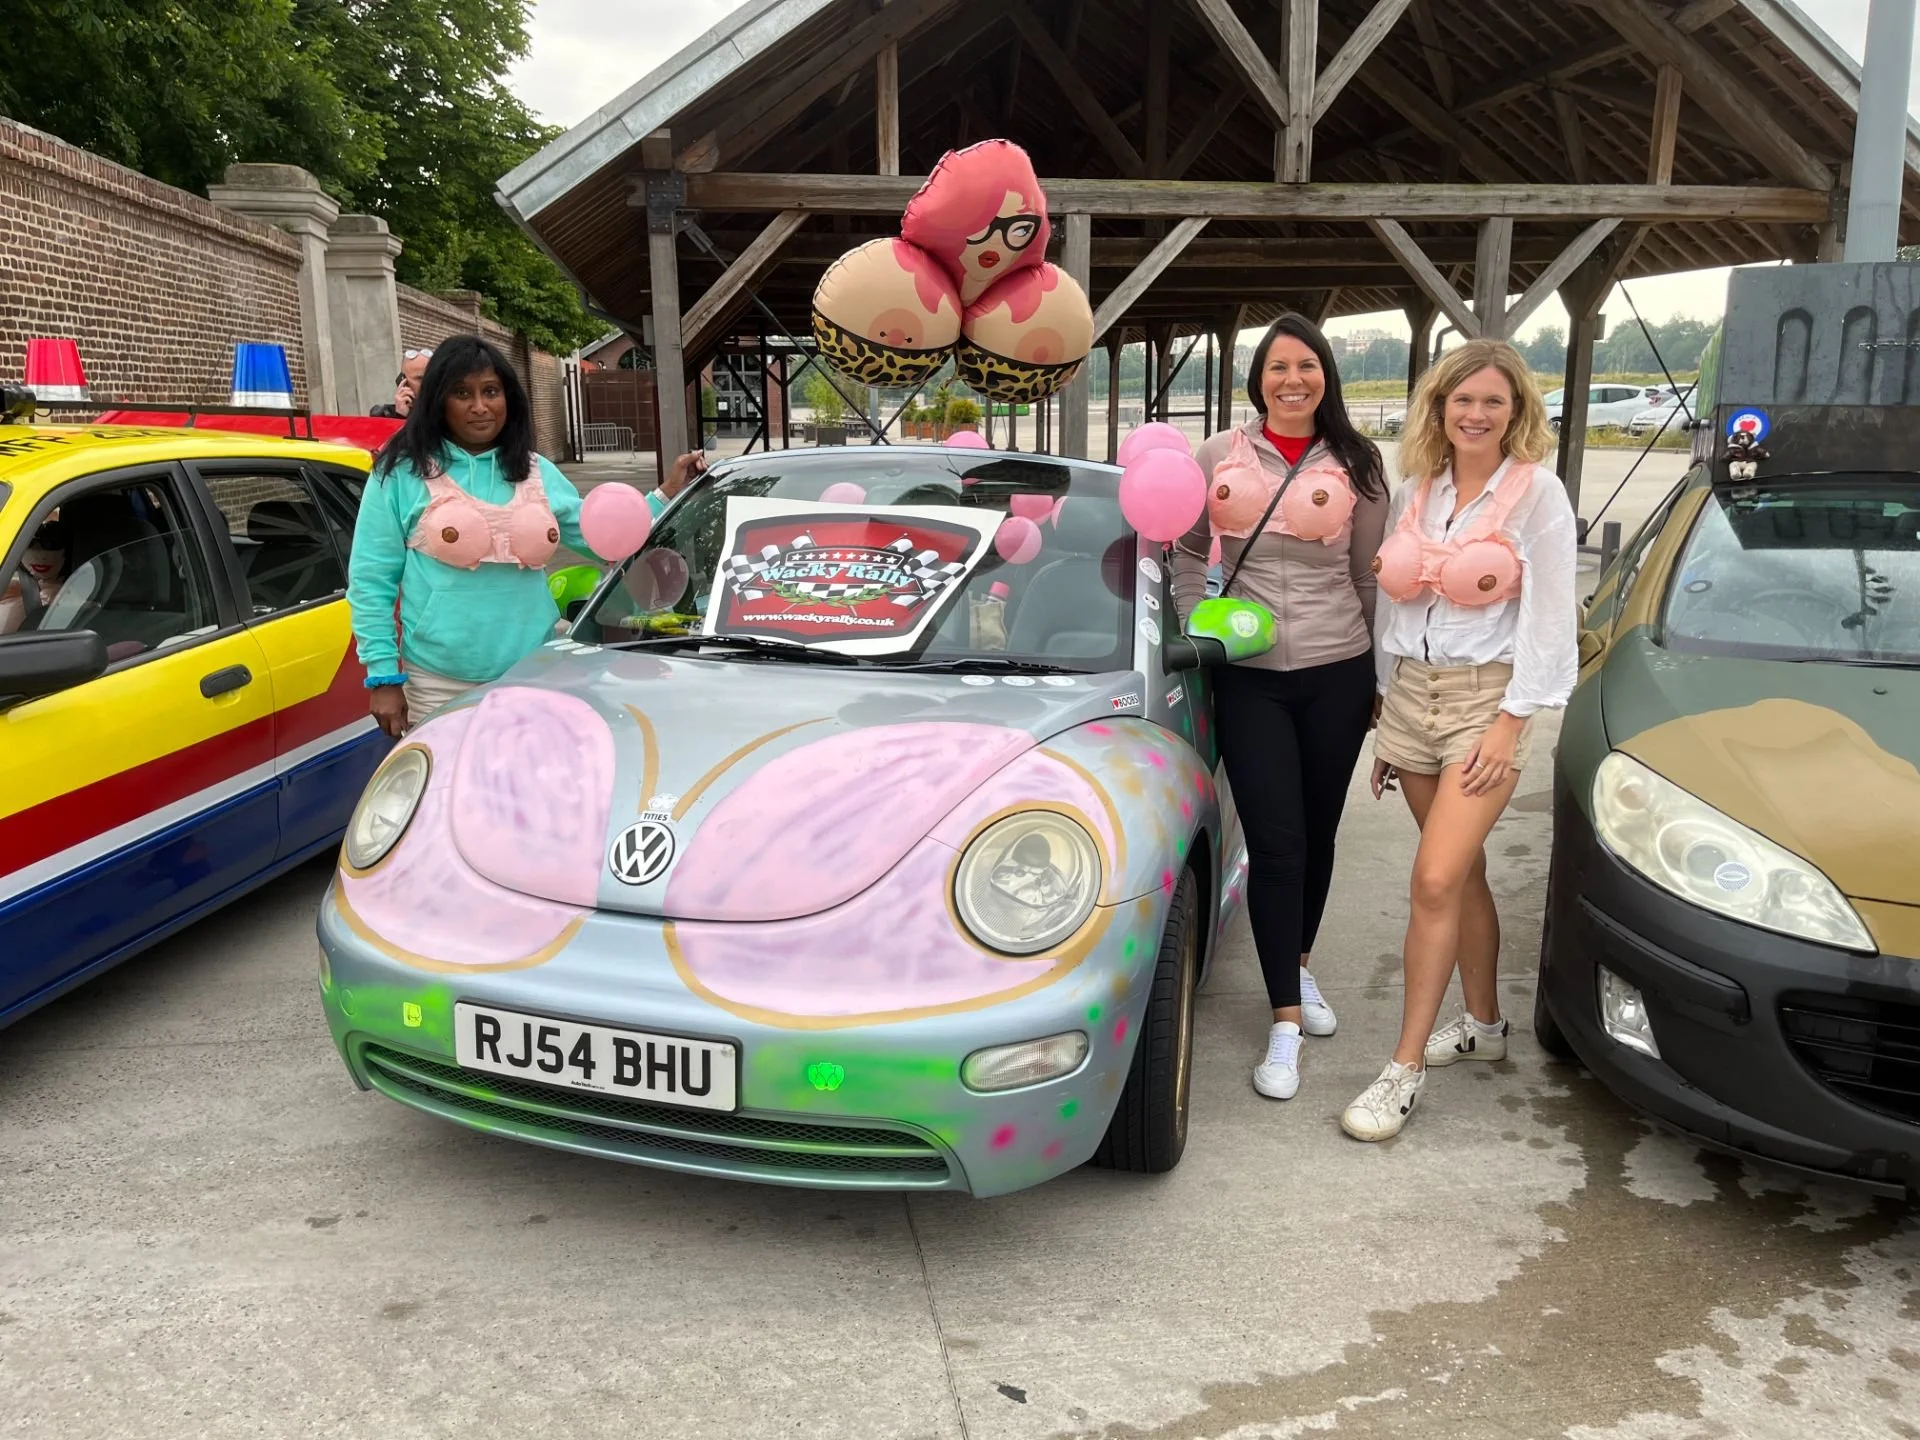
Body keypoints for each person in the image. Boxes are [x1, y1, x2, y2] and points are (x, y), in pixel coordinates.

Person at [1341, 338, 1578, 1142]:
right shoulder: (1420, 489)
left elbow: (1550, 617)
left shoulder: (1538, 495)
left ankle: (1401, 1070)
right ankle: (1483, 1024)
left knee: (1434, 880)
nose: (1476, 414)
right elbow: (1396, 609)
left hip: (1487, 704)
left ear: (1516, 414)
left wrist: (1514, 722)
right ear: (1440, 406)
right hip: (1410, 698)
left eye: (1494, 402)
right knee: (1464, 873)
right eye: (1462, 399)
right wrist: (1384, 710)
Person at [1172, 313, 1389, 1103]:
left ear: (1325, 375)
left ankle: (1295, 961)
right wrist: (1205, 627)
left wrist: (1378, 681)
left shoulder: (1359, 463)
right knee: (1277, 841)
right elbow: (1189, 553)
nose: (1291, 380)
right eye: (1276, 367)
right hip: (1250, 674)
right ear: (1257, 379)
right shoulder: (1218, 456)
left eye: (1306, 366)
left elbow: (1370, 577)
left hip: (1338, 669)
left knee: (1319, 836)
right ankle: (1286, 1020)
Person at [348, 335, 704, 736]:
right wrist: (382, 676)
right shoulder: (401, 475)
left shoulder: (536, 471)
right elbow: (370, 581)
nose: (480, 406)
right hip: (438, 682)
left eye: (491, 391)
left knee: (531, 791)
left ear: (508, 398)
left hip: (537, 672)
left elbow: (599, 538)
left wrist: (665, 494)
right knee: (449, 795)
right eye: (462, 393)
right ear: (437, 401)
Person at [370, 348, 434, 418]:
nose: (429, 382)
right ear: (403, 382)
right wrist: (401, 416)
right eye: (420, 378)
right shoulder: (384, 415)